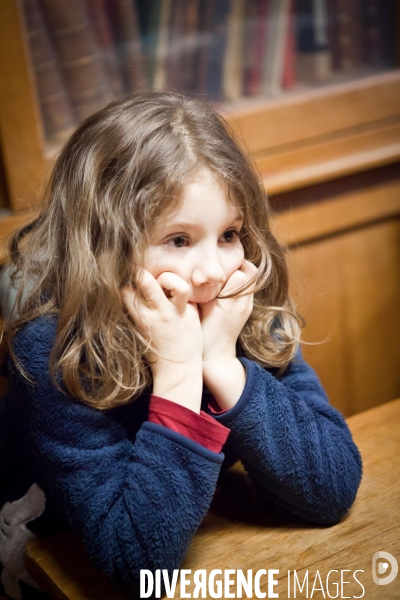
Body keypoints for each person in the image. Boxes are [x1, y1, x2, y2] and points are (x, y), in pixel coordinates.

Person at [0, 91, 362, 599]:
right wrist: (177, 370)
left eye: (230, 233)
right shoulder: (53, 350)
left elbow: (334, 489)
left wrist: (220, 361)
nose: (214, 271)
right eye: (178, 240)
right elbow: (137, 564)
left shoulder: (240, 310)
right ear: (103, 245)